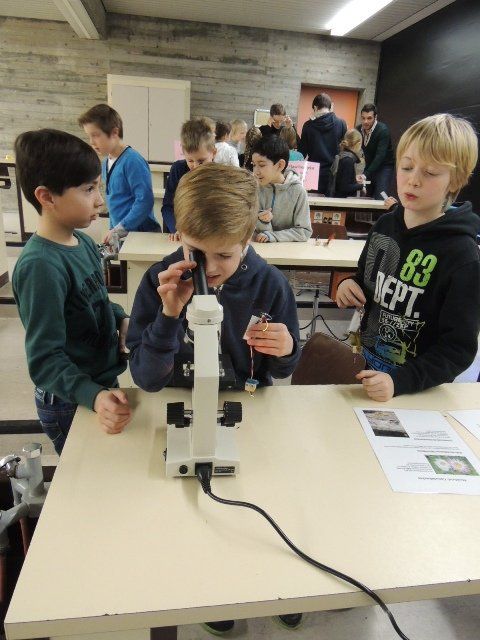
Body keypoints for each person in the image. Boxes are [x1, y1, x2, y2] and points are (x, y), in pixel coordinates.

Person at [126, 163, 303, 633]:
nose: (209, 269)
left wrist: (286, 349)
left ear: (248, 239)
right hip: (175, 410)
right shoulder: (159, 281)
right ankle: (214, 595)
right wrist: (168, 315)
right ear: (179, 235)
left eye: (224, 254)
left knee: (260, 509)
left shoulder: (270, 285)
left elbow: (281, 371)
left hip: (247, 409)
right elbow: (146, 379)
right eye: (196, 252)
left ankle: (279, 584)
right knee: (192, 522)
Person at [336, 113, 480, 401]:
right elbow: (366, 281)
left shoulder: (462, 256)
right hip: (367, 371)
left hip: (417, 390)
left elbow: (457, 349)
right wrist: (348, 285)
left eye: (430, 173)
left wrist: (400, 381)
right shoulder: (384, 226)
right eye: (406, 167)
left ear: (455, 181)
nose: (413, 180)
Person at [12, 129, 132, 455]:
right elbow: (45, 360)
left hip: (98, 383)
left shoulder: (84, 243)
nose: (100, 200)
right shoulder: (41, 267)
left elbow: (96, 302)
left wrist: (120, 319)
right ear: (47, 197)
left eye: (98, 187)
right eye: (88, 189)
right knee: (84, 473)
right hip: (69, 397)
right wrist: (93, 395)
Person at [79, 104, 159, 244]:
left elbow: (145, 201)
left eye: (96, 135)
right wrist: (113, 230)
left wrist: (119, 229)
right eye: (89, 136)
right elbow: (114, 203)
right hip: (122, 236)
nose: (91, 142)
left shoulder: (133, 161)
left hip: (141, 237)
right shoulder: (105, 163)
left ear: (114, 132)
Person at [251, 136, 312, 243]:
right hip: (259, 248)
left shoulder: (298, 191)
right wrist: (261, 221)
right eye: (254, 165)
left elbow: (304, 231)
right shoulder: (255, 189)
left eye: (261, 165)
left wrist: (273, 236)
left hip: (289, 251)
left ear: (280, 165)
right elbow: (247, 228)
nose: (256, 171)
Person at [161, 117, 216, 234]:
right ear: (183, 153)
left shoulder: (220, 175)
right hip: (181, 232)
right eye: (190, 160)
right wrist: (177, 229)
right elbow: (168, 207)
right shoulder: (178, 169)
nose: (195, 166)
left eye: (201, 161)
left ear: (213, 153)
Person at [298, 93, 347, 194]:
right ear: (330, 107)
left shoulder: (308, 126)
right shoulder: (341, 123)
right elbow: (345, 150)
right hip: (334, 172)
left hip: (312, 173)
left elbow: (302, 153)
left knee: (312, 202)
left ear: (315, 108)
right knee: (330, 203)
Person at [356, 103, 395, 199]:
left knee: (381, 195)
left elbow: (380, 156)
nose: (365, 121)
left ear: (375, 117)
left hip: (384, 166)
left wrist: (365, 174)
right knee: (365, 195)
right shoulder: (358, 129)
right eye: (363, 118)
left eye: (369, 118)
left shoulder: (383, 130)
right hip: (369, 165)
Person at [329, 129, 365, 197]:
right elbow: (344, 187)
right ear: (359, 144)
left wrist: (354, 179)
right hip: (343, 200)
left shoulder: (341, 156)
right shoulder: (348, 161)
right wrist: (361, 186)